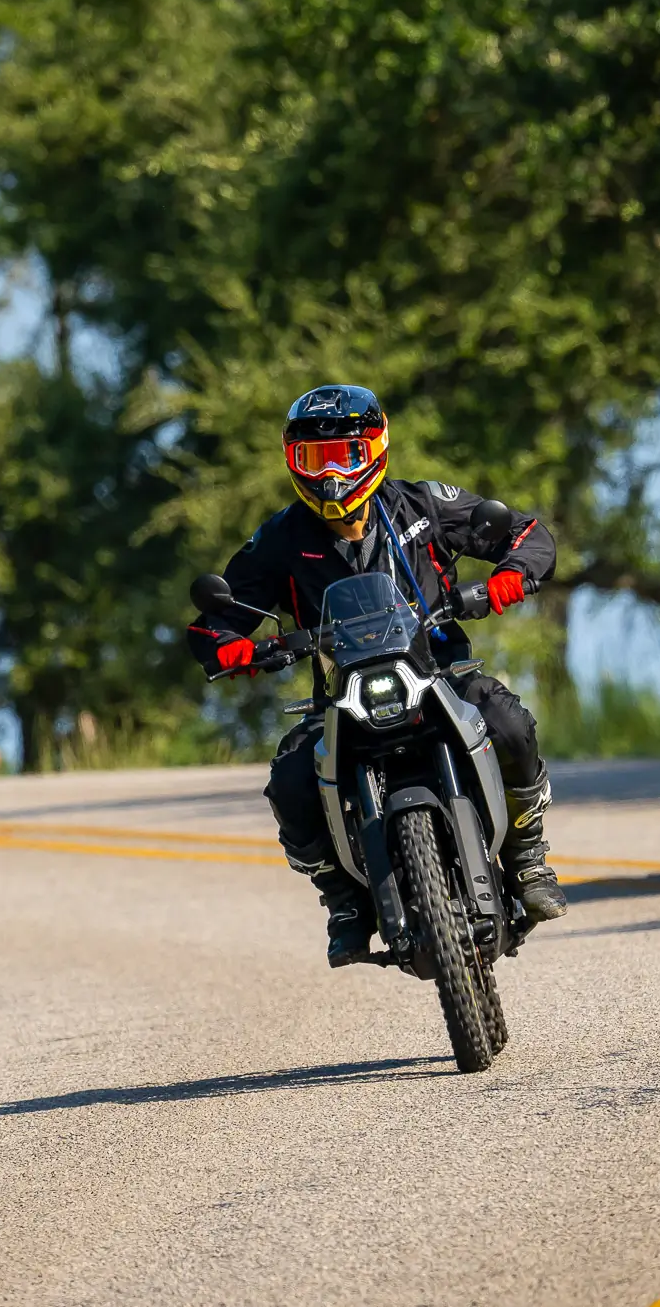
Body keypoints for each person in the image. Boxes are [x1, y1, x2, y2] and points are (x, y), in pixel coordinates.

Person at [187, 384, 569, 967]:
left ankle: (526, 853)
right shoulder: (280, 539)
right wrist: (235, 647)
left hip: (442, 672)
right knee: (291, 781)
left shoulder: (423, 506)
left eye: (347, 453)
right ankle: (342, 898)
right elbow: (217, 617)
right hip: (341, 696)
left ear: (376, 447)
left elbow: (527, 535)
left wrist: (503, 581)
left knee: (509, 724)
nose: (334, 473)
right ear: (294, 464)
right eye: (316, 460)